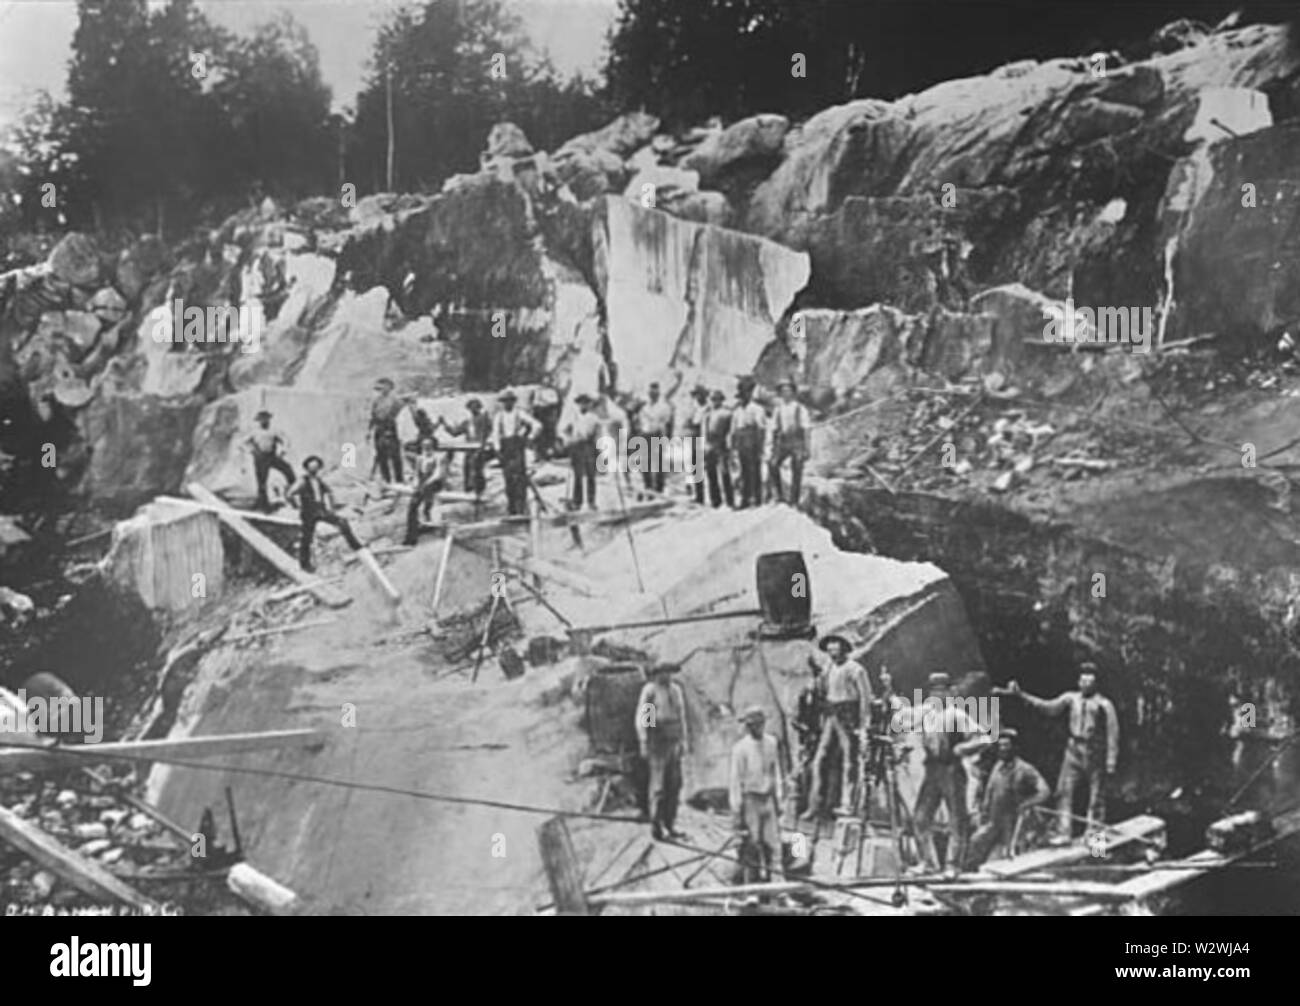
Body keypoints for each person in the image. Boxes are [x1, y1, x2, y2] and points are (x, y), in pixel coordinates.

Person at [999, 664, 1119, 842]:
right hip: (1073, 751)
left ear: (1096, 684)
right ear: (1078, 681)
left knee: (1097, 798)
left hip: (1095, 753)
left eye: (1090, 681)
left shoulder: (1104, 704)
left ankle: (1096, 844)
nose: (1085, 684)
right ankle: (1063, 833)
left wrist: (1111, 760)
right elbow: (1048, 707)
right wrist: (1021, 694)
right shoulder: (1071, 699)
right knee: (1063, 792)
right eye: (1083, 680)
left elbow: (1113, 732)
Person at [908, 671, 987, 874]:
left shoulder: (958, 715)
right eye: (933, 691)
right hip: (932, 770)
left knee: (956, 820)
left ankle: (953, 866)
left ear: (949, 693)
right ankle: (928, 863)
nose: (937, 695)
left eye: (941, 691)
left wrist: (964, 749)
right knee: (920, 818)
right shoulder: (925, 714)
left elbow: (984, 739)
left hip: (951, 770)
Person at [802, 634, 872, 819]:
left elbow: (865, 698)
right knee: (819, 759)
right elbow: (821, 685)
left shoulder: (855, 670)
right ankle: (815, 804)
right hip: (830, 716)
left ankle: (847, 804)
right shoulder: (829, 667)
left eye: (836, 650)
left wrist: (864, 725)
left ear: (844, 649)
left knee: (849, 761)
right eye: (830, 650)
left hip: (847, 717)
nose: (833, 654)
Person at [964, 729, 1051, 869]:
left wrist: (1026, 804)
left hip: (1013, 822)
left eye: (1007, 746)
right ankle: (967, 874)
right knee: (976, 842)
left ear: (1015, 748)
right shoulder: (998, 766)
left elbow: (1044, 791)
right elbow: (990, 790)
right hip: (993, 820)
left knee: (1007, 856)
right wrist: (983, 810)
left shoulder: (1025, 769)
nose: (1003, 749)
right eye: (1001, 746)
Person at [635, 663, 690, 841]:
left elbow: (681, 717)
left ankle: (670, 823)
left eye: (668, 673)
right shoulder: (650, 691)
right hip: (657, 740)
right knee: (658, 786)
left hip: (673, 740)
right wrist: (645, 741)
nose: (665, 676)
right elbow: (645, 719)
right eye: (662, 673)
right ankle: (656, 825)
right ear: (656, 674)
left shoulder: (675, 690)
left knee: (674, 783)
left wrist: (683, 741)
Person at [730, 706, 785, 883]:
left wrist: (779, 798)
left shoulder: (771, 743)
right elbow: (736, 780)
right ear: (748, 726)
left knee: (774, 846)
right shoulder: (740, 749)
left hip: (767, 799)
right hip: (750, 800)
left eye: (760, 724)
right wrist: (737, 809)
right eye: (753, 725)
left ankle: (777, 887)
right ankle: (752, 890)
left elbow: (775, 772)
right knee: (752, 845)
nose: (757, 728)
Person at [285, 455, 363, 572]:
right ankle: (305, 564)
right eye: (312, 465)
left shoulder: (319, 480)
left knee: (342, 522)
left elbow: (330, 492)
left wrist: (332, 506)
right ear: (307, 467)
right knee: (307, 538)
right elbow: (289, 494)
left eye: (316, 466)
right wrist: (296, 506)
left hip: (320, 509)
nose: (315, 468)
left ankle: (356, 546)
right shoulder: (302, 481)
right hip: (309, 512)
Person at [491, 389, 536, 516]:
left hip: (517, 447)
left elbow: (536, 425)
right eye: (505, 402)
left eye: (509, 401)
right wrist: (498, 449)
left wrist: (528, 437)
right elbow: (495, 434)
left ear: (514, 402)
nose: (507, 404)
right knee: (508, 479)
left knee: (520, 478)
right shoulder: (499, 416)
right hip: (506, 448)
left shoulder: (519, 414)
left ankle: (521, 508)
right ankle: (511, 509)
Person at [769, 379, 811, 507]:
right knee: (773, 464)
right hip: (783, 442)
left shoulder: (800, 408)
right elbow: (774, 428)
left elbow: (806, 429)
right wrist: (773, 445)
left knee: (797, 468)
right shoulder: (778, 409)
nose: (785, 393)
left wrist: (807, 448)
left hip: (797, 442)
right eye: (783, 391)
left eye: (788, 391)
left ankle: (794, 500)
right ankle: (779, 496)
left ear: (793, 392)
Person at [244, 409, 294, 511]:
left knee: (288, 470)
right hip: (260, 458)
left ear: (269, 419)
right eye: (261, 419)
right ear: (258, 421)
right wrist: (252, 451)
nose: (264, 421)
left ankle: (292, 495)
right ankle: (263, 503)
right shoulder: (254, 432)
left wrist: (283, 451)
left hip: (272, 456)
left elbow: (285, 440)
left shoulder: (274, 430)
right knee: (262, 480)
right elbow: (243, 443)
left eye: (266, 419)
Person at [560, 393, 601, 511]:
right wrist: (569, 439)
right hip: (577, 447)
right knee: (577, 475)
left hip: (589, 446)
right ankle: (577, 501)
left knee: (590, 475)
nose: (584, 405)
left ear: (590, 404)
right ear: (578, 404)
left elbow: (598, 433)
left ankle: (591, 501)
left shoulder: (594, 418)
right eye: (581, 403)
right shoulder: (574, 417)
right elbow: (564, 431)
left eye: (586, 403)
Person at [444, 398, 492, 496]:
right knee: (467, 469)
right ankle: (468, 491)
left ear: (479, 408)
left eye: (475, 407)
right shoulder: (467, 422)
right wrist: (445, 424)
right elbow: (455, 432)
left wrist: (483, 444)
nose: (473, 409)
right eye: (471, 408)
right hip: (469, 449)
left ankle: (479, 491)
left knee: (477, 470)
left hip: (480, 448)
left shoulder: (484, 419)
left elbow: (488, 431)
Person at [403, 435, 447, 546]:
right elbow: (417, 474)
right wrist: (416, 483)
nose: (426, 448)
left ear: (433, 446)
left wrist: (426, 483)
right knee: (412, 505)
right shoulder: (420, 458)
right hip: (423, 483)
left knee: (424, 499)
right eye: (424, 446)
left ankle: (426, 518)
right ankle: (411, 535)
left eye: (429, 446)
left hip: (434, 483)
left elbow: (438, 474)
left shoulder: (439, 457)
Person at [732, 378, 767, 508]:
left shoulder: (757, 409)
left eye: (746, 393)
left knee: (755, 469)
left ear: (750, 393)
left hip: (752, 440)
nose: (744, 396)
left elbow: (761, 429)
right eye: (742, 394)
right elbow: (734, 430)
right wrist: (734, 446)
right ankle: (745, 499)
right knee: (744, 470)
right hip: (742, 442)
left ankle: (757, 499)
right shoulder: (737, 411)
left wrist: (760, 446)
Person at [368, 378, 407, 484]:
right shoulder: (376, 400)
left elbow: (396, 413)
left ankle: (399, 479)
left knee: (395, 454)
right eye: (381, 387)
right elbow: (372, 416)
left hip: (390, 426)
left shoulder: (395, 400)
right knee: (381, 455)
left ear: (390, 387)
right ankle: (386, 479)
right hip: (379, 428)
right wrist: (369, 430)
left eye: (385, 386)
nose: (383, 389)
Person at [639, 382, 674, 493]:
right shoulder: (644, 407)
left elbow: (667, 422)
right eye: (650, 393)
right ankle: (648, 486)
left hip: (657, 434)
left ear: (658, 394)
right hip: (645, 434)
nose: (652, 395)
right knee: (644, 462)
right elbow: (640, 421)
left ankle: (659, 488)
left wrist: (666, 437)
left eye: (655, 393)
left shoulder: (663, 407)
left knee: (658, 462)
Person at [703, 389, 735, 509]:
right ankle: (715, 501)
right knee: (711, 473)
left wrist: (729, 444)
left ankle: (729, 500)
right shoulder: (708, 413)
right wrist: (705, 445)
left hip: (721, 443)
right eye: (713, 399)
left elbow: (731, 430)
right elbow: (705, 430)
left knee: (724, 472)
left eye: (717, 399)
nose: (715, 401)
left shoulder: (727, 413)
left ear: (722, 400)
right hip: (710, 443)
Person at [681, 385, 709, 504]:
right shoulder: (692, 407)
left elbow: (700, 422)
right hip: (692, 436)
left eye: (700, 394)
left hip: (703, 435)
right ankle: (697, 494)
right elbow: (687, 421)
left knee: (701, 466)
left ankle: (703, 495)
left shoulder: (707, 408)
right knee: (693, 466)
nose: (698, 397)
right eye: (696, 395)